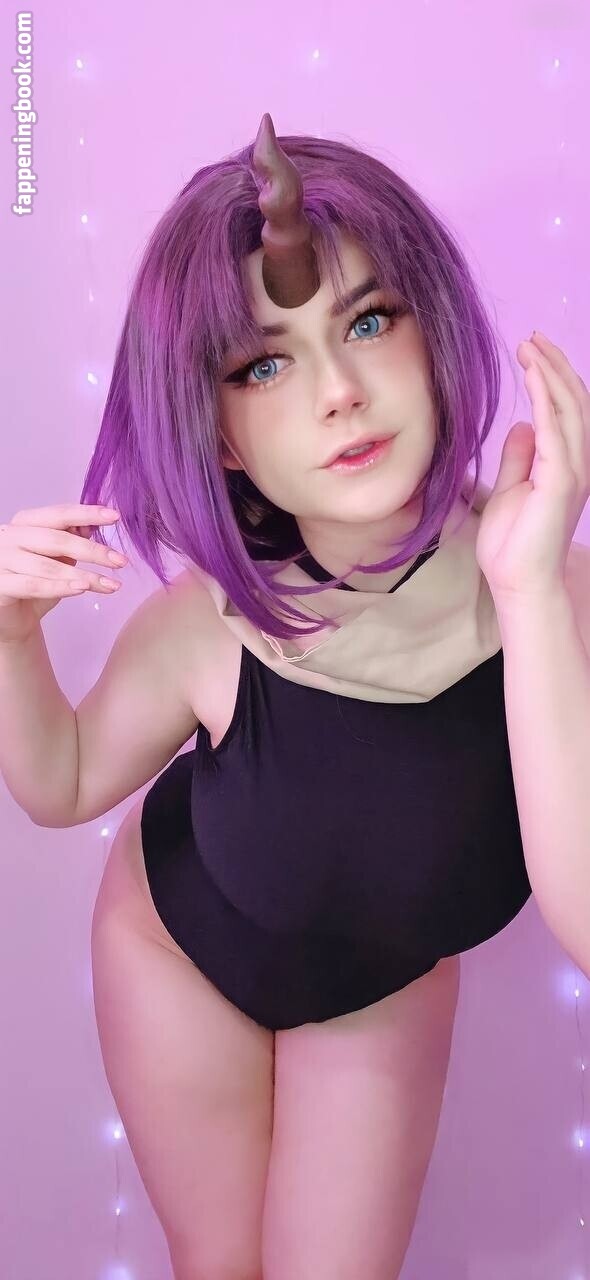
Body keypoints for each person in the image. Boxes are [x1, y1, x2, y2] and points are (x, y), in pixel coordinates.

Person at [0, 114, 531, 1279]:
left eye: (368, 321)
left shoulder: (536, 584)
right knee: (220, 1264)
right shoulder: (208, 620)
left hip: (377, 979)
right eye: (263, 363)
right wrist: (6, 637)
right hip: (179, 949)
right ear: (222, 436)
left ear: (433, 330)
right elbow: (62, 782)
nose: (338, 392)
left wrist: (535, 586)